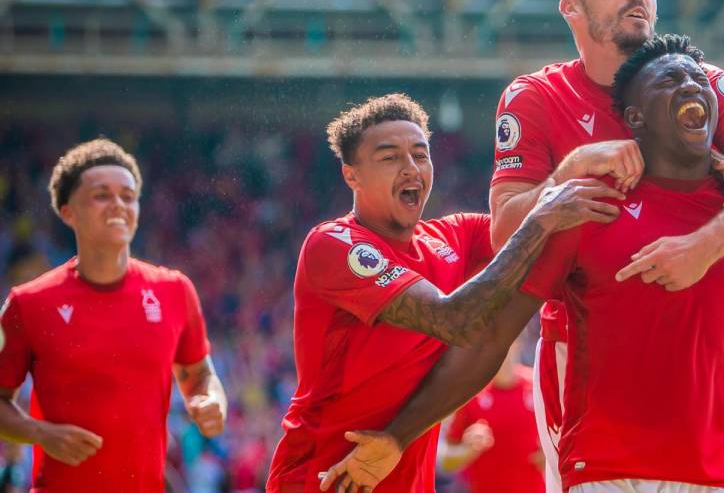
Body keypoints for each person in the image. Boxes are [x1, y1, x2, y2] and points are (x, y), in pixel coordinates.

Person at [318, 35, 724, 493]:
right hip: (605, 474)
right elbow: (491, 336)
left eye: (698, 81)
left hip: (721, 478)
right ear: (632, 117)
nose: (691, 88)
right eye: (669, 81)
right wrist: (401, 435)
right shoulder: (588, 208)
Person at [486, 0, 724, 492]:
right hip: (588, 361)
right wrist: (571, 169)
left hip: (695, 354)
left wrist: (706, 245)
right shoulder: (536, 97)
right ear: (572, 7)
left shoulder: (701, 82)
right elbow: (503, 232)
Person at [266, 94, 618, 492]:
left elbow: (550, 223)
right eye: (390, 157)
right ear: (352, 176)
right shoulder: (334, 244)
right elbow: (457, 319)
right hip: (326, 476)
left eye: (420, 154)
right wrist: (541, 221)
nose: (411, 168)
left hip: (409, 481)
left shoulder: (455, 237)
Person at [0, 138, 227, 492]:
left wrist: (212, 400)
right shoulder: (28, 303)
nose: (119, 205)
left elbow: (200, 374)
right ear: (67, 211)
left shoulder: (175, 290)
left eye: (128, 195)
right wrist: (40, 433)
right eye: (101, 195)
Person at [439, 338, 543, 493]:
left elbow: (562, 440)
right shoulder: (471, 394)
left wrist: (550, 455)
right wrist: (468, 449)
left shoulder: (538, 387)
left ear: (517, 344)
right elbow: (447, 461)